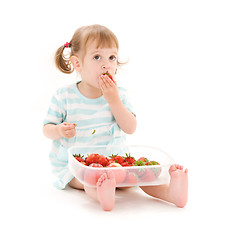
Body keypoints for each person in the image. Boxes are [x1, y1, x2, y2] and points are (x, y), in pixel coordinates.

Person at [43, 24, 188, 211]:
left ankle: (171, 193)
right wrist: (59, 130)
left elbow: (130, 127)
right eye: (97, 57)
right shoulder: (64, 96)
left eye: (112, 57)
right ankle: (104, 195)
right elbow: (47, 128)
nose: (107, 64)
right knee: (89, 180)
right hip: (79, 167)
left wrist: (113, 100)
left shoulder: (120, 95)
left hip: (116, 162)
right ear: (77, 63)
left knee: (142, 175)